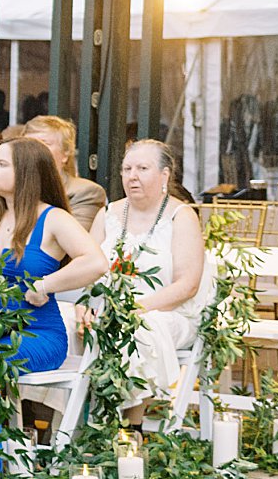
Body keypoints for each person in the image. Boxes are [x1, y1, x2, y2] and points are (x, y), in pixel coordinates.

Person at [0, 138, 109, 472]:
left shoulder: (53, 218)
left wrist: (46, 284)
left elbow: (96, 262)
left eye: (2, 164)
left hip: (37, 333)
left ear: (27, 172)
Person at [89, 139, 213, 403]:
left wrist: (133, 310)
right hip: (108, 310)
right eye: (127, 169)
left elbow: (187, 285)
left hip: (167, 313)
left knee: (137, 330)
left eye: (143, 169)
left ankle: (128, 424)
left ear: (164, 175)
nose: (132, 176)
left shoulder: (181, 216)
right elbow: (87, 269)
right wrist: (84, 306)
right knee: (66, 322)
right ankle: (68, 423)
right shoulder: (107, 214)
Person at [24, 114, 109, 228]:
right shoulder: (9, 187)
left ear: (65, 153)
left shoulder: (86, 192)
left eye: (44, 144)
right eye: (27, 144)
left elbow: (73, 241)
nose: (34, 151)